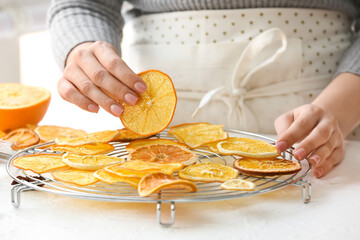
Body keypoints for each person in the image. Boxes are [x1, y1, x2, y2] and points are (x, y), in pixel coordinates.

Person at [48, 0, 360, 178]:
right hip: (158, 158)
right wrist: (83, 49)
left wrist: (337, 111)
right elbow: (83, 5)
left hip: (325, 142)